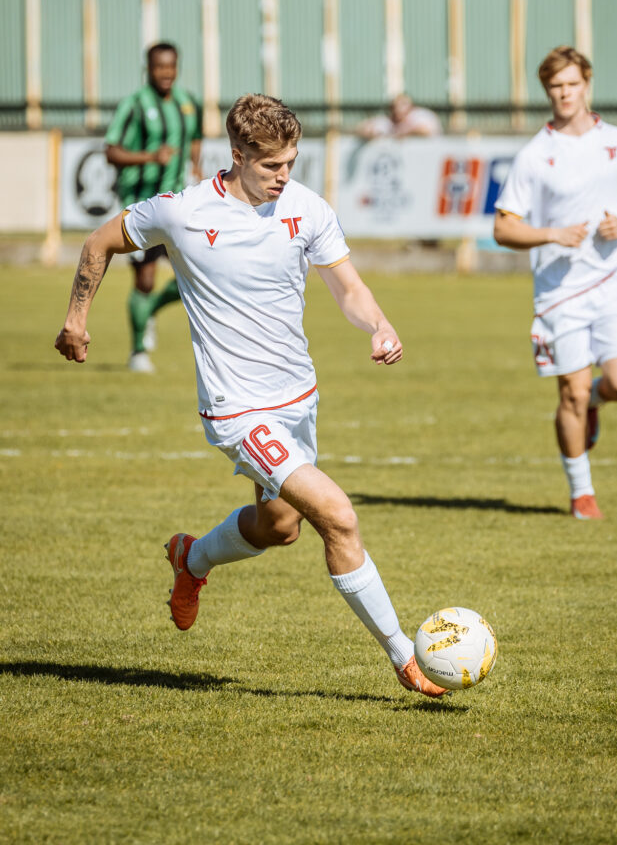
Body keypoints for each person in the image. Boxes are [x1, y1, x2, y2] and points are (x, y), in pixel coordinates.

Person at [55, 93, 446, 698]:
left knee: (280, 526)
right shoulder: (182, 212)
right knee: (339, 518)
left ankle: (192, 559)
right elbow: (99, 242)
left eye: (291, 162)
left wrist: (379, 325)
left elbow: (348, 287)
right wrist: (77, 318)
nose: (283, 175)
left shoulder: (306, 208)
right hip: (237, 409)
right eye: (271, 165)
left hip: (298, 398)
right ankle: (406, 658)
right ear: (237, 155)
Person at [494, 46, 617, 520]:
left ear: (587, 84)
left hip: (613, 280)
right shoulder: (535, 155)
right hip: (559, 291)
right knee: (572, 393)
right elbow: (503, 228)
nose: (564, 94)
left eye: (572, 84)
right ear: (547, 91)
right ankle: (582, 494)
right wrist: (552, 234)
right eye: (555, 87)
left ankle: (597, 403)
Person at [105, 42, 203, 373]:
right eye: (160, 67)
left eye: (171, 66)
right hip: (143, 204)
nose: (166, 73)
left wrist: (196, 166)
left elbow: (195, 138)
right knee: (145, 280)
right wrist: (150, 157)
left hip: (180, 205)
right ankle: (138, 352)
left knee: (196, 274)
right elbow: (111, 151)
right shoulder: (134, 105)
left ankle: (150, 312)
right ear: (148, 69)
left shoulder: (188, 103)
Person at [356, 94, 442, 139]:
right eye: (395, 107)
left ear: (411, 107)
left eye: (403, 105)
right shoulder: (390, 121)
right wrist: (370, 132)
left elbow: (425, 130)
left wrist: (407, 133)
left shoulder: (420, 116)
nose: (398, 109)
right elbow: (364, 128)